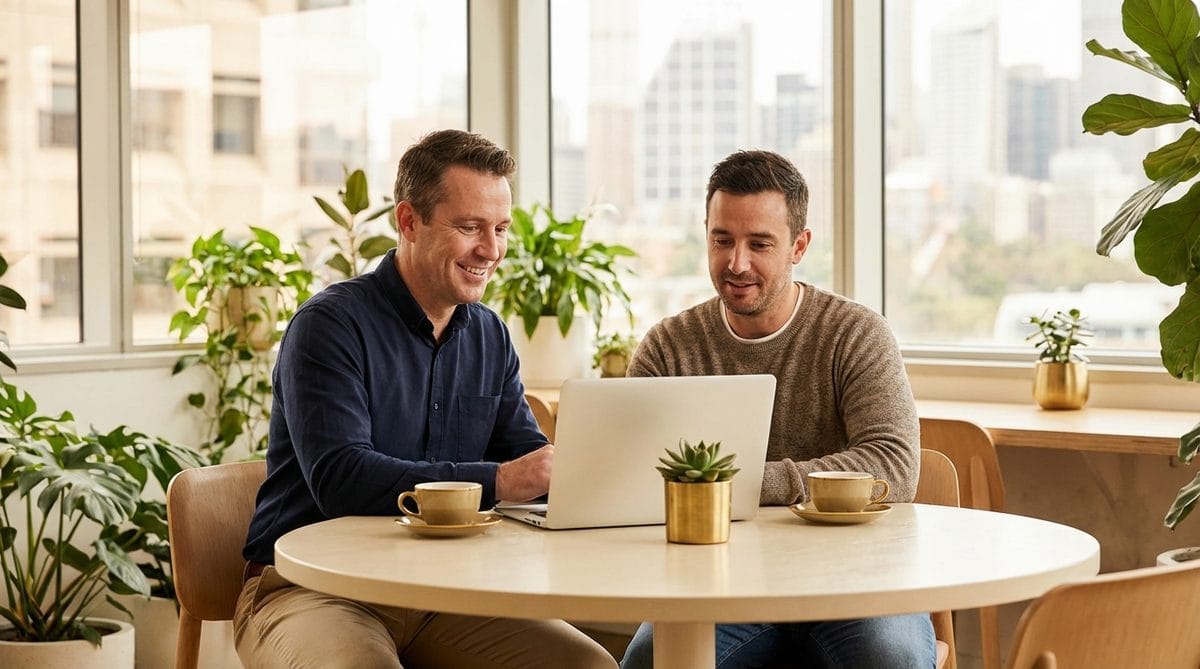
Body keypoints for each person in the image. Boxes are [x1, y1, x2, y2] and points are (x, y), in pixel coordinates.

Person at [234, 129, 617, 669]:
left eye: (501, 228)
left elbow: (526, 463)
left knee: (588, 666)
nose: (492, 249)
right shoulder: (329, 327)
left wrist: (587, 478)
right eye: (469, 228)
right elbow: (342, 478)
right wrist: (501, 481)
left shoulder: (490, 335)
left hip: (446, 593)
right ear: (408, 221)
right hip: (313, 589)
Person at [619, 150, 933, 669]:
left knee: (890, 660)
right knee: (649, 662)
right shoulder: (667, 348)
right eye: (722, 240)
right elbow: (635, 481)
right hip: (717, 588)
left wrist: (736, 484)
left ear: (799, 246)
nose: (737, 263)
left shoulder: (855, 334)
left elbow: (894, 468)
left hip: (855, 582)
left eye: (759, 244)